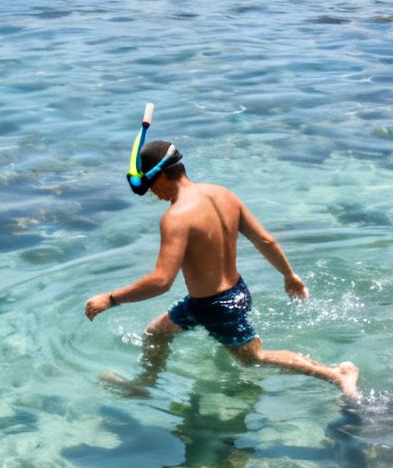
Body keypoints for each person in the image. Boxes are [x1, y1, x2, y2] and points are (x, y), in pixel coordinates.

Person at [85, 104, 359, 400]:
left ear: (162, 175)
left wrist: (111, 299)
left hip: (216, 306)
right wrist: (289, 275)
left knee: (254, 359)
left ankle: (335, 374)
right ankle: (146, 383)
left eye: (151, 186)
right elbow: (265, 241)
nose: (153, 194)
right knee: (156, 333)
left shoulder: (176, 217)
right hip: (232, 293)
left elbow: (161, 281)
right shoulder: (223, 193)